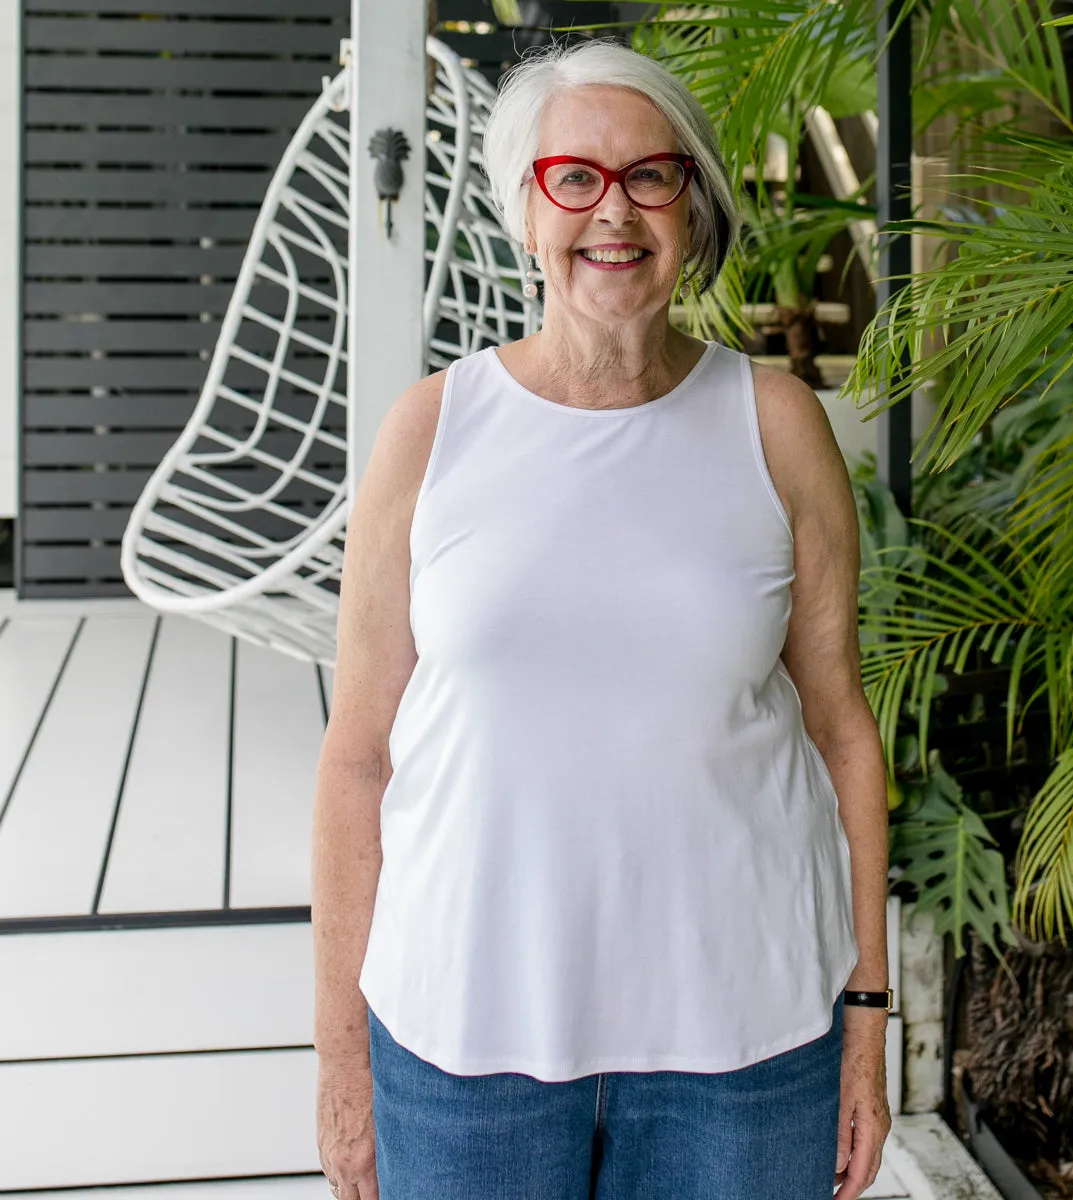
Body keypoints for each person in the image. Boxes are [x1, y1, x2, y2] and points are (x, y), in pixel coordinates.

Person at [312, 36, 891, 1200]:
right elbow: (359, 757)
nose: (611, 211)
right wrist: (340, 1057)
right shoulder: (429, 432)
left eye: (650, 176)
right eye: (573, 176)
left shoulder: (776, 425)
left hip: (747, 1041)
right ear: (526, 213)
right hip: (465, 1038)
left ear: (695, 207)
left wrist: (870, 1021)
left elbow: (840, 732)